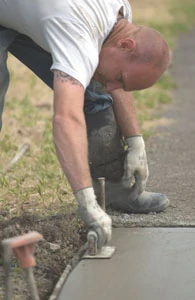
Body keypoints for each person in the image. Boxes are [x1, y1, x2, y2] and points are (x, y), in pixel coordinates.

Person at [0, 0, 171, 249]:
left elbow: (116, 79)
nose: (115, 87)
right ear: (126, 44)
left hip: (33, 9)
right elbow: (66, 118)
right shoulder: (77, 32)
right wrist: (85, 201)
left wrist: (135, 141)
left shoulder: (119, 12)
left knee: (99, 92)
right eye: (121, 79)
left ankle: (112, 188)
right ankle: (96, 201)